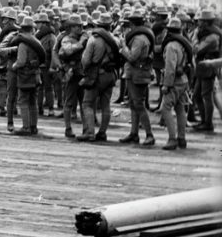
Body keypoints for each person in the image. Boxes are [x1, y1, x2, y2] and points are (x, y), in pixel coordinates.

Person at [77, 12, 118, 142]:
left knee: (87, 103)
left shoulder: (93, 39)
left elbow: (86, 60)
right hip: (110, 75)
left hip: (96, 75)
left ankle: (89, 132)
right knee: (106, 104)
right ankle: (102, 132)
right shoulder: (115, 39)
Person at [118, 8, 155, 146]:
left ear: (133, 24)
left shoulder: (139, 39)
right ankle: (134, 133)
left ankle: (149, 134)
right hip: (136, 73)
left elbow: (133, 57)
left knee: (138, 104)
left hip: (137, 74)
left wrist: (123, 48)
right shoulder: (142, 36)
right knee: (134, 104)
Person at [160, 16, 192, 150]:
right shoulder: (185, 43)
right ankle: (182, 138)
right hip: (183, 79)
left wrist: (166, 85)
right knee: (180, 109)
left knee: (165, 108)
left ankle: (172, 138)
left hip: (174, 82)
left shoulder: (171, 46)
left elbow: (170, 68)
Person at [11, 15, 46, 136]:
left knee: (23, 101)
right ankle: (33, 126)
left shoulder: (23, 44)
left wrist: (13, 66)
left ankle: (25, 127)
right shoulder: (37, 41)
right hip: (36, 75)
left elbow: (21, 61)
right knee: (33, 102)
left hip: (25, 76)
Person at [191, 8, 221, 132]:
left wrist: (195, 38)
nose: (198, 22)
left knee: (206, 96)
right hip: (202, 67)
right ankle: (204, 121)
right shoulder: (207, 33)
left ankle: (208, 123)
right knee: (197, 95)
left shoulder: (212, 36)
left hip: (208, 68)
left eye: (200, 20)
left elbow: (196, 49)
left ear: (205, 22)